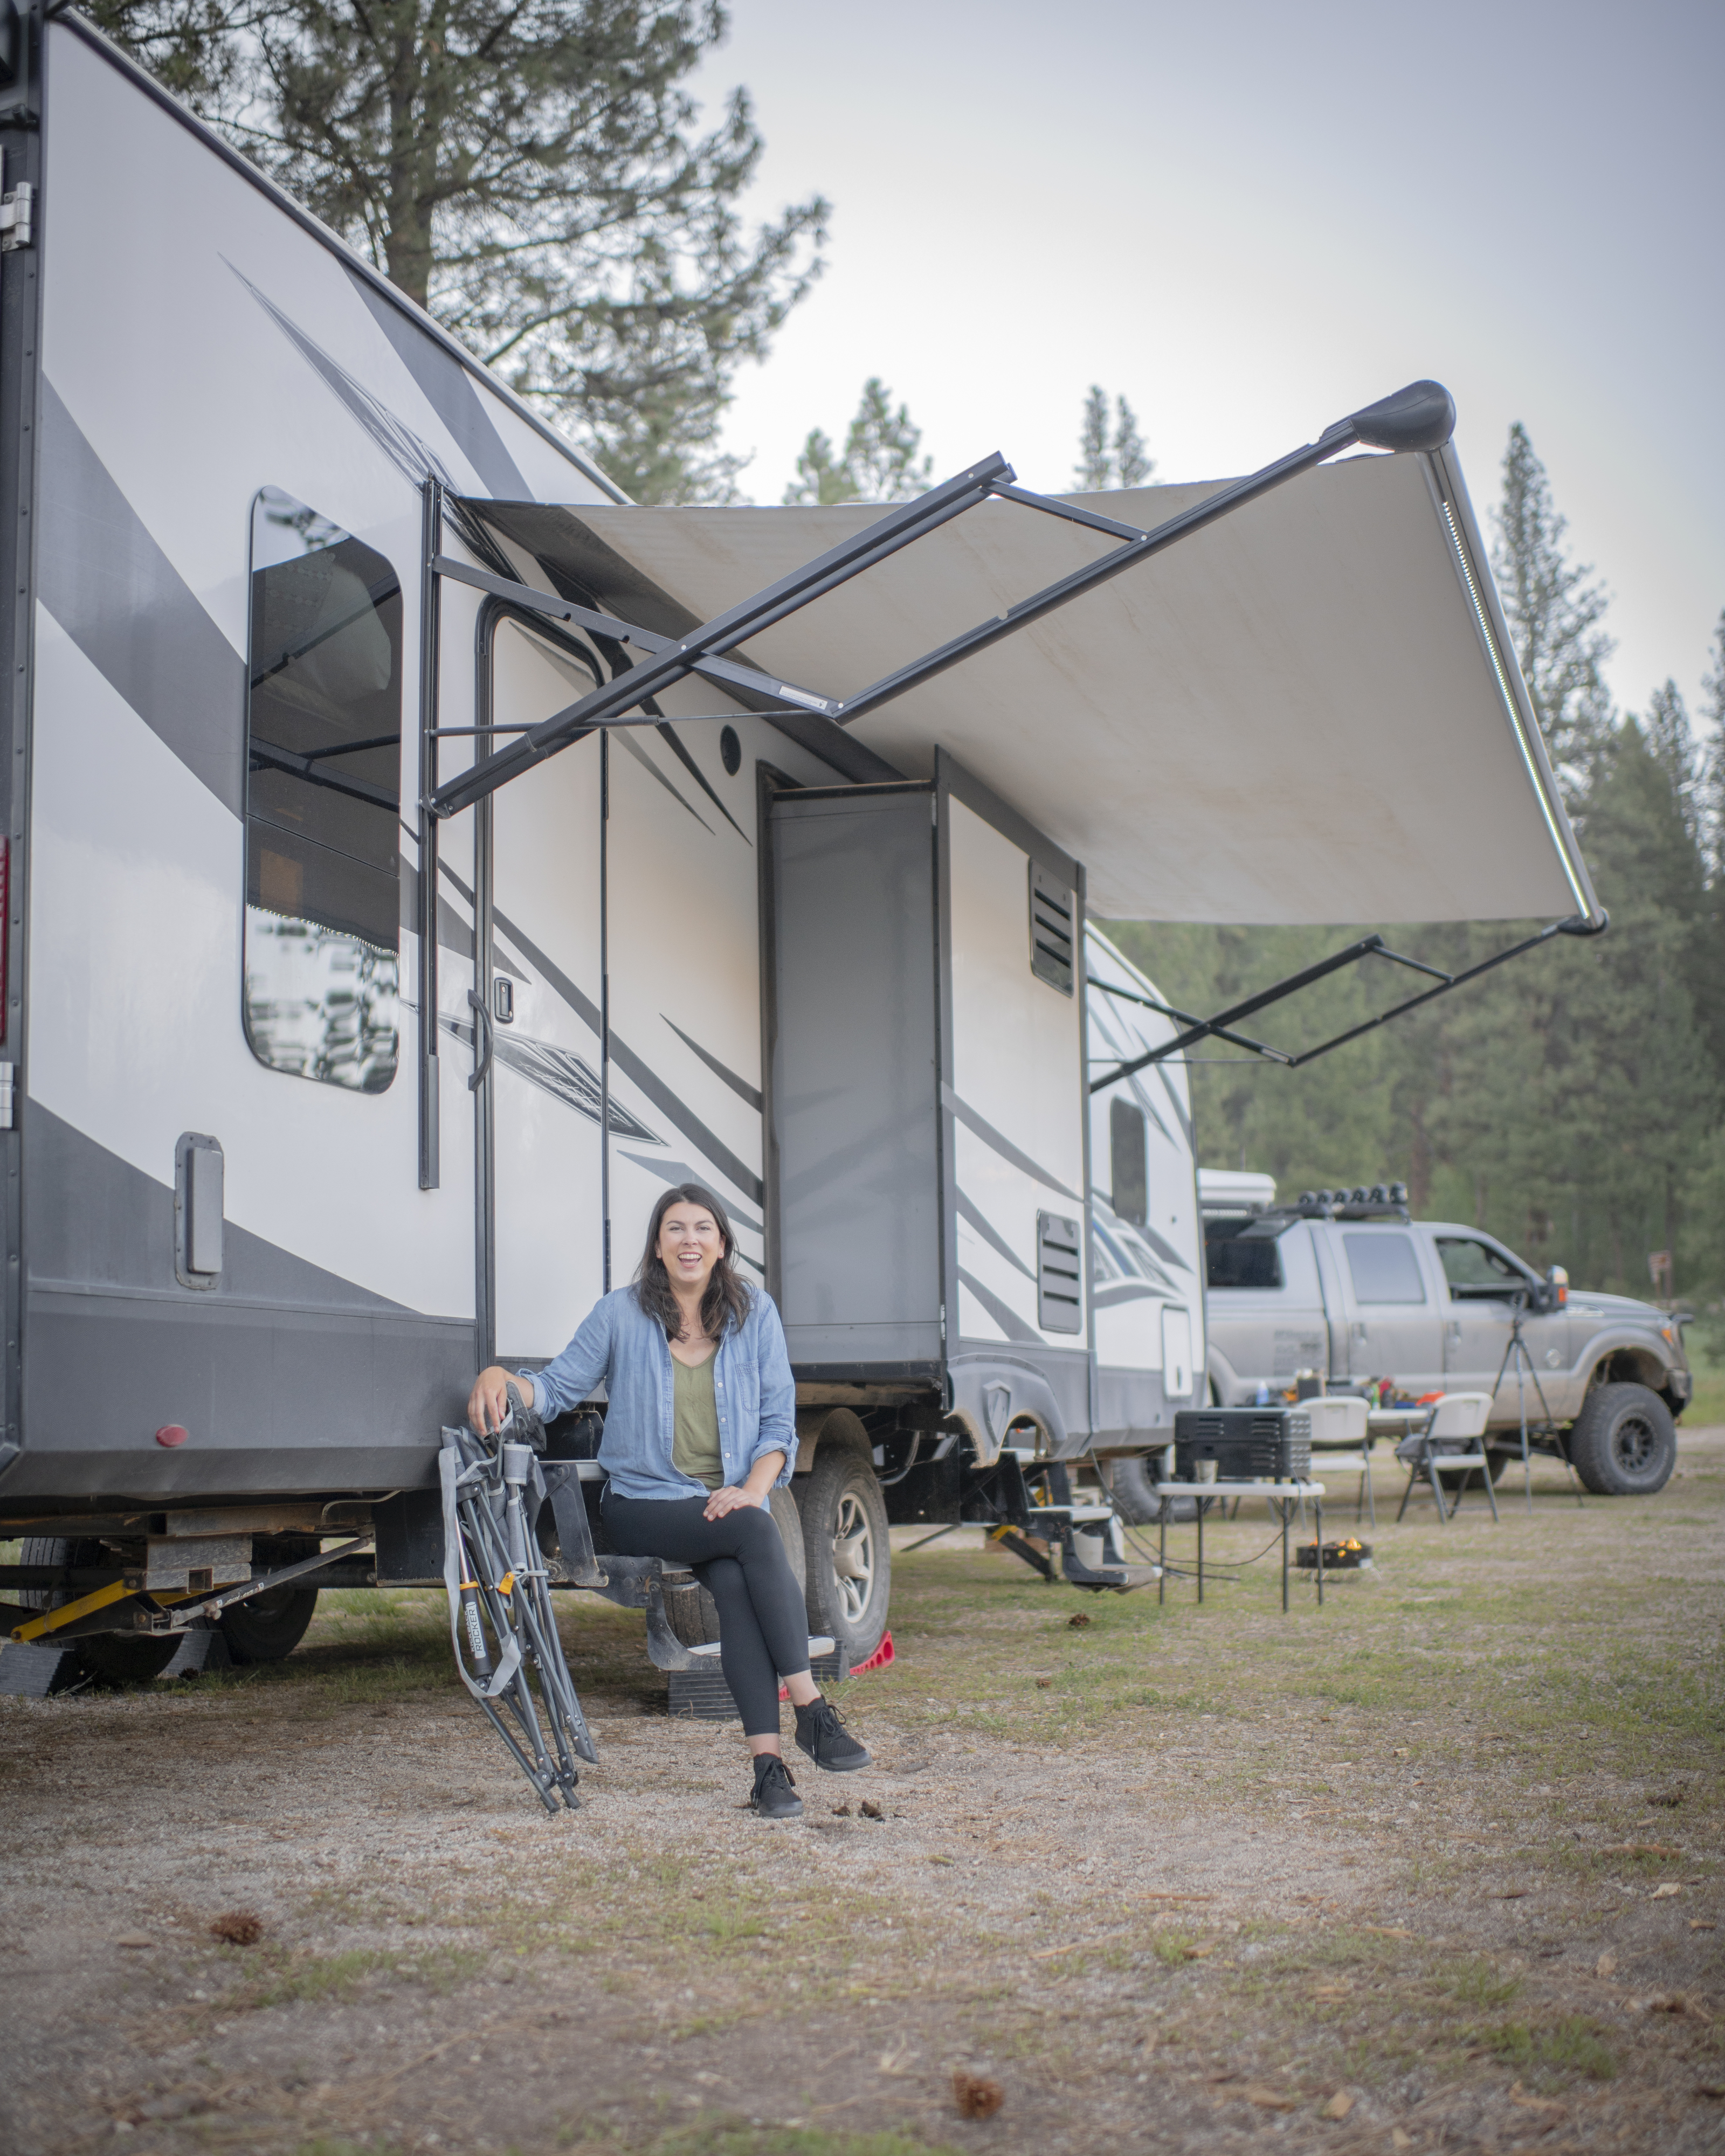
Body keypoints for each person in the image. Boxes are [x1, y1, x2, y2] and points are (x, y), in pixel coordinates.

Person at [467, 1183, 870, 1820]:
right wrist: (499, 1377)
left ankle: (768, 1770)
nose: (690, 1240)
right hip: (642, 1503)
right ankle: (811, 1709)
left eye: (702, 1228)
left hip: (725, 1508)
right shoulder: (621, 1313)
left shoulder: (754, 1314)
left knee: (737, 1580)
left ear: (722, 1243)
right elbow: (553, 1388)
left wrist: (751, 1489)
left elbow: (777, 1430)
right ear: (657, 1245)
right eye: (675, 1228)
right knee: (754, 1534)